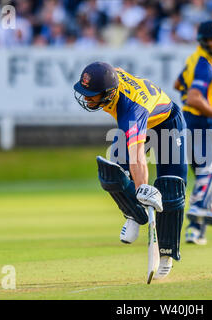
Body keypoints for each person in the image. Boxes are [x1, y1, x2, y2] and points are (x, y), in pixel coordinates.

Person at [73, 62, 187, 280]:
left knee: (171, 189)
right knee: (111, 172)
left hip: (168, 124)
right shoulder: (111, 81)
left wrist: (143, 188)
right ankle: (134, 213)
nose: (87, 98)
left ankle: (166, 253)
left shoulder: (131, 111)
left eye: (92, 94)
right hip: (144, 117)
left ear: (109, 93)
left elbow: (137, 157)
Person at [174, 20, 212, 245]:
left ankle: (195, 231)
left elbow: (178, 83)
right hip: (200, 122)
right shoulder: (204, 64)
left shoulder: (197, 59)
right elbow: (193, 97)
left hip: (188, 121)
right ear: (204, 41)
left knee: (203, 172)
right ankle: (199, 210)